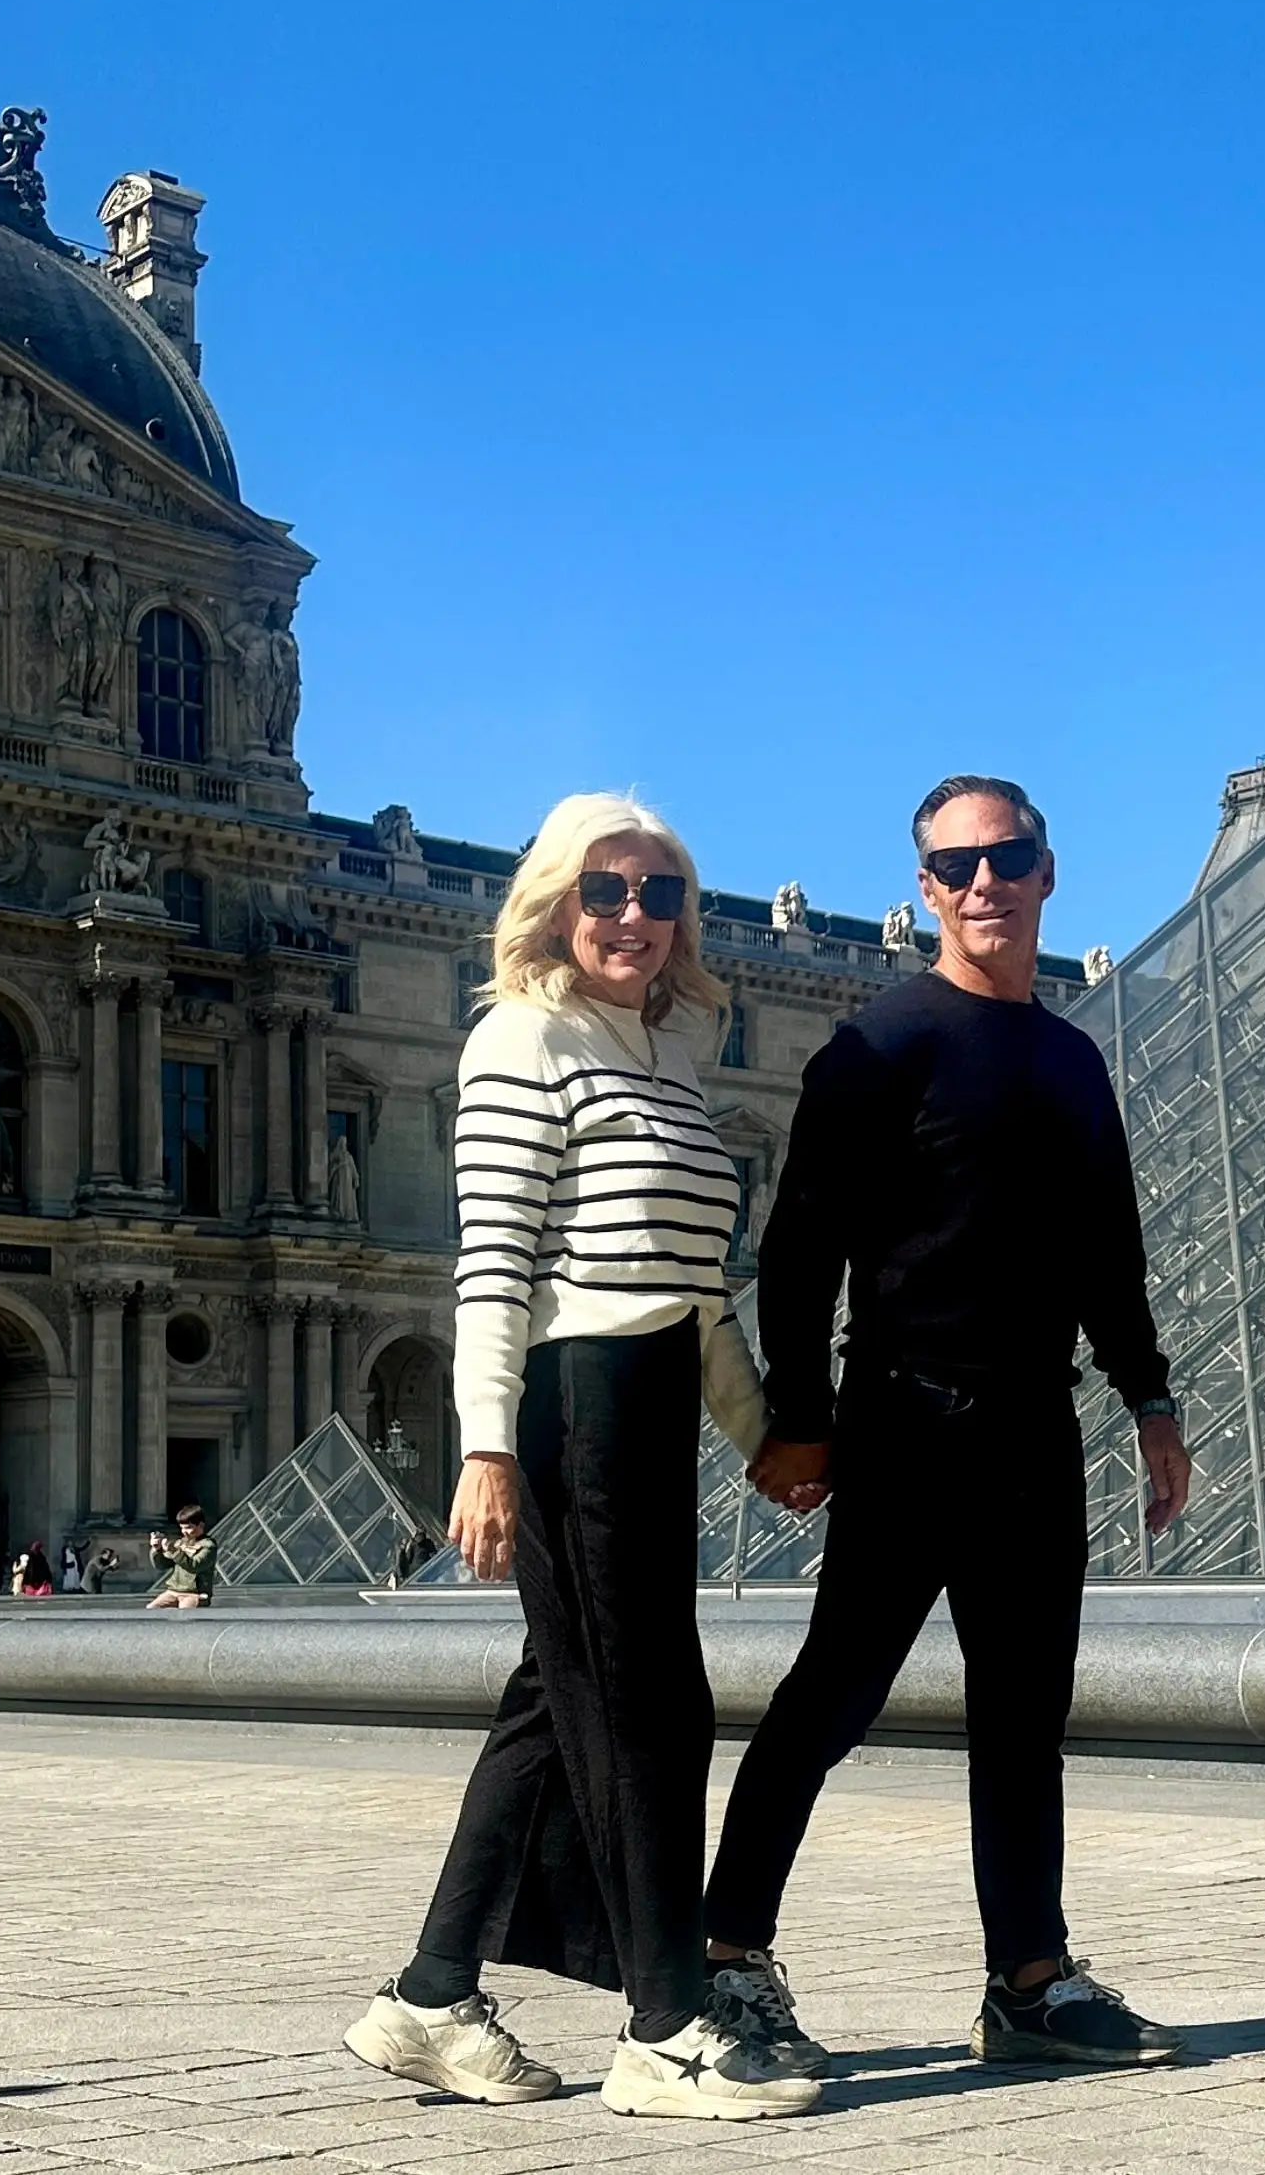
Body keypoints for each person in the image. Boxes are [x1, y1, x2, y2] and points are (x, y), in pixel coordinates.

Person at [701, 775, 1192, 2075]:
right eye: (957, 865)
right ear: (926, 889)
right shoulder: (878, 1047)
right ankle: (726, 1956)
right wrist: (797, 1422)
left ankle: (1028, 1980)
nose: (985, 883)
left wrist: (1149, 1398)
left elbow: (1110, 1253)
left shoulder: (1075, 1058)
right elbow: (798, 1255)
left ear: (1045, 872)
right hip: (907, 1420)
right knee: (833, 1695)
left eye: (1007, 858)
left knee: (1025, 1718)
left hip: (1039, 1427)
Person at [342, 792, 815, 2122]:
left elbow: (695, 1287)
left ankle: (430, 1998)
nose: (635, 919)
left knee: (563, 1700)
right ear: (553, 900)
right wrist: (484, 1449)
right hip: (572, 1398)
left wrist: (760, 1431)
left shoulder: (675, 1050)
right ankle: (664, 2029)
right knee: (643, 1709)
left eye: (662, 894)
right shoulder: (519, 1039)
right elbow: (491, 1263)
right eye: (606, 891)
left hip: (657, 1392)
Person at [143, 1506, 216, 1609]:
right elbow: (162, 1565)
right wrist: (157, 1549)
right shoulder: (180, 1543)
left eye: (188, 1528)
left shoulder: (208, 1546)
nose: (184, 1531)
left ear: (200, 1525)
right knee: (151, 1609)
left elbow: (194, 1566)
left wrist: (174, 1551)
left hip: (195, 1593)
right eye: (182, 1528)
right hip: (173, 1591)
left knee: (185, 1615)